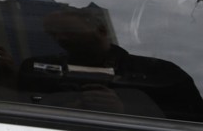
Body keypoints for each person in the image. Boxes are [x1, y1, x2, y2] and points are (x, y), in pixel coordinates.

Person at [18, 7, 203, 122]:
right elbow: (18, 111)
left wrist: (125, 111)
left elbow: (190, 121)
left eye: (68, 31)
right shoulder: (36, 69)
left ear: (102, 30)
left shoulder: (163, 74)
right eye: (52, 33)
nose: (61, 38)